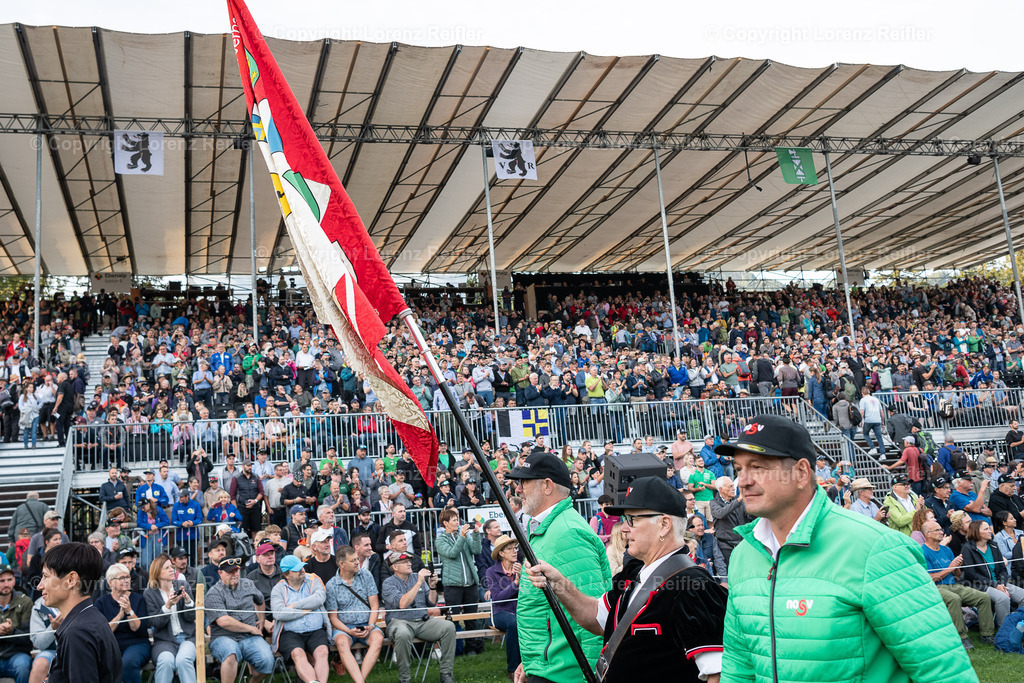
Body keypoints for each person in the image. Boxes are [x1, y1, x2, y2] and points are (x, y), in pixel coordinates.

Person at [715, 414, 976, 682]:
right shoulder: (743, 555)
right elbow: (739, 665)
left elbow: (943, 669)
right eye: (738, 469)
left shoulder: (876, 547)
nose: (743, 481)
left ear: (802, 473)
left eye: (757, 467)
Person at [525, 477, 728, 682]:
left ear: (664, 524)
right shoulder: (634, 573)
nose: (623, 528)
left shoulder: (694, 586)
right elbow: (596, 616)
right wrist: (558, 582)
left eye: (632, 519)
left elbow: (719, 674)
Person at [506, 452, 610, 683]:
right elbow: (546, 609)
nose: (518, 490)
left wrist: (594, 676)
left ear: (547, 485)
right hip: (550, 667)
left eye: (524, 482)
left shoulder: (567, 533)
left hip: (567, 675)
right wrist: (533, 661)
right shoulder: (551, 529)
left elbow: (594, 618)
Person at [40, 542, 122, 683]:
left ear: (71, 580)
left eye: (46, 577)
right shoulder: (91, 618)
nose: (39, 585)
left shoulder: (78, 632)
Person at [919, 520, 996, 650]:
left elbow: (957, 575)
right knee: (954, 599)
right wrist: (951, 567)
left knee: (983, 597)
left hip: (954, 584)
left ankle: (987, 635)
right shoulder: (923, 552)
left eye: (941, 529)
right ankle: (962, 637)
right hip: (936, 587)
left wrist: (958, 566)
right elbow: (931, 578)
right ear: (927, 534)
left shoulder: (947, 550)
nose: (941, 532)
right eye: (937, 530)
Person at [381, 551, 455, 683]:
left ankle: (446, 674)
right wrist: (420, 582)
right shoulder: (388, 583)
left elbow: (431, 602)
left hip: (422, 621)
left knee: (448, 627)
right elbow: (402, 604)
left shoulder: (417, 577)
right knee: (403, 633)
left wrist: (432, 587)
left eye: (409, 561)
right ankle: (404, 679)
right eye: (404, 562)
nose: (409, 563)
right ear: (395, 567)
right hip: (399, 622)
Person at [206, 556, 274, 683]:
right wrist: (251, 628)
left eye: (236, 571)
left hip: (250, 637)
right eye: (230, 572)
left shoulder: (248, 583)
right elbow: (223, 621)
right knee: (231, 653)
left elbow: (260, 600)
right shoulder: (213, 593)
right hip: (224, 637)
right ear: (220, 573)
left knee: (267, 661)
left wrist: (261, 619)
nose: (234, 574)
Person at [326, 545, 384, 683]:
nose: (357, 562)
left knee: (378, 639)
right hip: (344, 628)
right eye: (353, 560)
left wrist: (371, 625)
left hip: (367, 624)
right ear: (342, 564)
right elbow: (333, 617)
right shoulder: (332, 585)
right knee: (341, 642)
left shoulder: (366, 575)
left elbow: (375, 605)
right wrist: (348, 631)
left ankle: (359, 681)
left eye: (357, 559)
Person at [271, 556, 330, 683]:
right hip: (290, 634)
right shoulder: (278, 589)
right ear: (286, 574)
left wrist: (294, 606)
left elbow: (319, 598)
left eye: (301, 567)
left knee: (322, 652)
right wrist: (305, 611)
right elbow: (279, 613)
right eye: (297, 569)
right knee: (298, 654)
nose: (302, 570)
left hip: (316, 630)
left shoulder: (314, 579)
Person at [435, 508, 484, 655]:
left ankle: (472, 649)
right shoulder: (440, 539)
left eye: (458, 519)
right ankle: (453, 650)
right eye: (455, 520)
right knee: (453, 620)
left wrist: (475, 535)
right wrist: (462, 537)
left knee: (471, 619)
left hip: (470, 583)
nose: (458, 522)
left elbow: (477, 550)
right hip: (453, 585)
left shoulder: (463, 535)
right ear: (445, 523)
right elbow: (452, 553)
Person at [142, 553, 197, 683]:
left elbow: (191, 618)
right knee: (165, 662)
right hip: (163, 641)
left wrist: (188, 601)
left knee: (183, 661)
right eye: (167, 568)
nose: (172, 570)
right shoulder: (149, 593)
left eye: (171, 566)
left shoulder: (183, 585)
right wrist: (168, 606)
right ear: (157, 573)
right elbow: (156, 623)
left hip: (188, 637)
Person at [960, 519, 1024, 629]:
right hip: (979, 584)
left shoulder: (994, 545)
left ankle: (1018, 626)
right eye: (986, 529)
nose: (990, 531)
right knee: (1002, 598)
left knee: (1022, 595)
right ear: (976, 532)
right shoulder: (967, 548)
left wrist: (1001, 584)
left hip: (999, 583)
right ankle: (1004, 629)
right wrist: (995, 585)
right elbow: (971, 574)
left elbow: (1002, 570)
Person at [94, 563, 150, 683]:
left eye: (127, 577)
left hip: (137, 644)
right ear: (110, 583)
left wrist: (129, 611)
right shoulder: (101, 603)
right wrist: (120, 615)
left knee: (128, 663)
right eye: (121, 578)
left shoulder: (138, 599)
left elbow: (139, 630)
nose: (126, 580)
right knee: (102, 664)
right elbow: (102, 633)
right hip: (112, 646)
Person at [485, 535, 521, 680]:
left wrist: (523, 577)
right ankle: (512, 669)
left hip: (520, 610)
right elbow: (498, 598)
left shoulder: (522, 566)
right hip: (500, 613)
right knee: (514, 623)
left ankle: (532, 666)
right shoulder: (491, 572)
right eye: (510, 548)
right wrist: (516, 583)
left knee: (530, 620)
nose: (515, 551)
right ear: (501, 553)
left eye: (515, 548)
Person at [0, 562, 32, 683]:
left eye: (9, 579)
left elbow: (28, 637)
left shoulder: (25, 602)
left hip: (17, 654)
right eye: (1, 581)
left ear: (14, 581)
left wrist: (11, 631)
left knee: (23, 667)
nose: (6, 584)